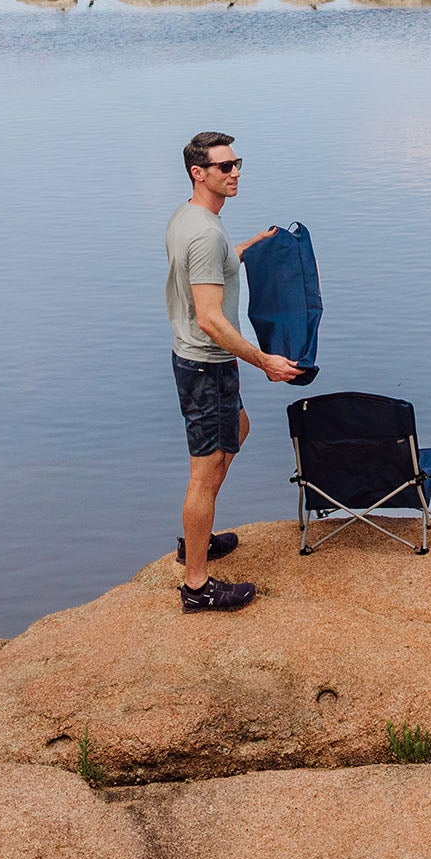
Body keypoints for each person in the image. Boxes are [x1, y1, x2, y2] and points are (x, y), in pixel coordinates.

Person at [168, 130, 299, 611]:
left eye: (237, 163)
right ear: (198, 173)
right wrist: (263, 360)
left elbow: (211, 266)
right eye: (225, 167)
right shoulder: (205, 233)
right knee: (204, 473)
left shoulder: (192, 218)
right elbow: (210, 318)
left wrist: (250, 248)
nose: (235, 172)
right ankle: (197, 585)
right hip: (207, 365)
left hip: (200, 362)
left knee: (238, 429)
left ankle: (196, 537)